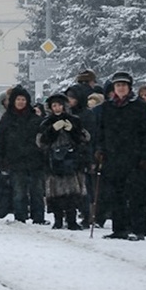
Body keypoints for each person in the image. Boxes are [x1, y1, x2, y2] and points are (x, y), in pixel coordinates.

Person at [94, 71, 146, 241]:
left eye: (123, 85)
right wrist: (100, 149)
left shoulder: (140, 106)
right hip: (113, 156)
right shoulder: (107, 107)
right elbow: (101, 131)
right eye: (117, 85)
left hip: (135, 157)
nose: (121, 88)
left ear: (129, 87)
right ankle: (119, 228)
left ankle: (138, 229)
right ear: (114, 88)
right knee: (116, 194)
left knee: (136, 194)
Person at [0, 85, 46, 223]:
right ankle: (20, 216)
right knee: (19, 191)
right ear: (13, 101)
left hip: (35, 161)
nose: (21, 102)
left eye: (23, 99)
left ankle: (38, 217)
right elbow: (0, 142)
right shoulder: (7, 119)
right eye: (18, 99)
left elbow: (43, 140)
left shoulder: (35, 119)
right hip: (15, 162)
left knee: (37, 191)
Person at [37, 92, 89, 230]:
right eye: (54, 105)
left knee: (72, 191)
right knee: (55, 192)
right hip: (53, 161)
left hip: (71, 160)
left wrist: (72, 130)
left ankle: (71, 220)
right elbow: (41, 142)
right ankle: (58, 219)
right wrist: (52, 130)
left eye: (60, 105)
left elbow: (83, 139)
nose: (57, 108)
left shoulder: (74, 120)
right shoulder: (46, 122)